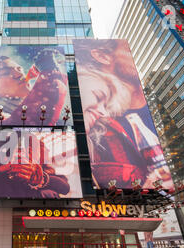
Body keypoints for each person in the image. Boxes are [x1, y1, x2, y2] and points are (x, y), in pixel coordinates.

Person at [74, 39, 173, 190]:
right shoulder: (101, 131)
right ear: (102, 56)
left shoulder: (156, 106)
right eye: (100, 97)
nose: (103, 112)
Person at [0, 48, 69, 126]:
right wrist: (50, 72)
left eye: (19, 69)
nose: (19, 74)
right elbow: (23, 123)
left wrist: (52, 73)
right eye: (5, 73)